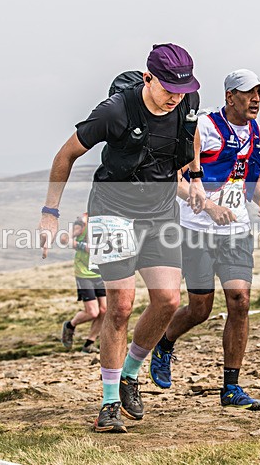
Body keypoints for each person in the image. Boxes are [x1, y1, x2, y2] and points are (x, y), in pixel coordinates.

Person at [39, 43, 200, 433]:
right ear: (148, 78)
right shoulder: (116, 111)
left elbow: (189, 138)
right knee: (121, 305)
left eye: (181, 92)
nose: (174, 99)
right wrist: (50, 212)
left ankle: (130, 374)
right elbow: (65, 154)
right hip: (112, 210)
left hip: (159, 209)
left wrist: (193, 178)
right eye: (167, 91)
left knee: (168, 299)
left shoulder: (187, 100)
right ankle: (109, 403)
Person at [148, 69, 260, 411]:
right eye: (248, 93)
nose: (256, 100)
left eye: (259, 94)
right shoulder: (203, 127)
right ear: (229, 96)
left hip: (236, 231)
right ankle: (164, 341)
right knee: (200, 309)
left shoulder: (258, 133)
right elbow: (174, 179)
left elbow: (253, 178)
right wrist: (207, 206)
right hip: (197, 230)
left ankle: (231, 388)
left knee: (240, 301)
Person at [60, 213, 104, 354]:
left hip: (101, 272)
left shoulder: (111, 221)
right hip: (84, 274)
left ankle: (89, 344)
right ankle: (70, 325)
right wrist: (82, 245)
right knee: (93, 312)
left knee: (105, 310)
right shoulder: (83, 222)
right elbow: (64, 239)